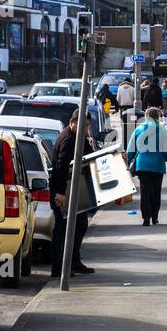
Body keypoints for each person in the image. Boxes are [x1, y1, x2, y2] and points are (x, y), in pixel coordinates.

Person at [50, 109, 94, 277]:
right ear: (73, 122)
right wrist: (61, 192)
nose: (86, 128)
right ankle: (59, 268)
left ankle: (73, 262)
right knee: (62, 230)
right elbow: (60, 167)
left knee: (80, 225)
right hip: (63, 192)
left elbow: (88, 156)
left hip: (73, 192)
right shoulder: (68, 139)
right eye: (84, 125)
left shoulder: (78, 136)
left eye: (88, 125)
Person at [127, 107, 167, 226]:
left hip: (142, 165)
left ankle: (146, 218)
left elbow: (131, 148)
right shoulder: (163, 130)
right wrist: (166, 158)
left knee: (145, 192)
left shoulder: (139, 129)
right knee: (156, 191)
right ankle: (155, 217)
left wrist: (129, 161)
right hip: (158, 164)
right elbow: (166, 149)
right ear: (158, 117)